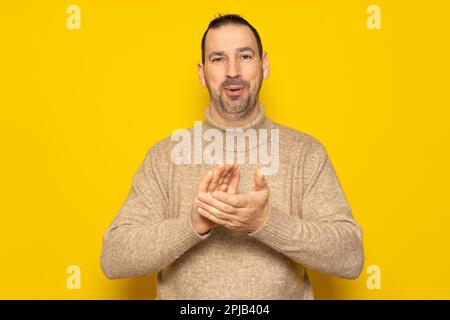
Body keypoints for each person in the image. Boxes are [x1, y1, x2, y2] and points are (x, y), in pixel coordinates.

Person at [100, 13, 364, 299]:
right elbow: (114, 258)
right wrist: (193, 224)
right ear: (202, 73)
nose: (232, 71)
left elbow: (350, 256)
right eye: (218, 59)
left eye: (245, 56)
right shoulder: (166, 157)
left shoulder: (306, 154)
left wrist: (265, 222)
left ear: (264, 64)